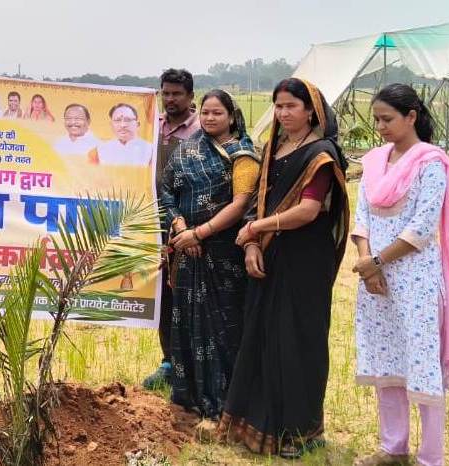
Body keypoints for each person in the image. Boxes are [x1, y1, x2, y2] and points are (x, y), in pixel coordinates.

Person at [350, 83, 449, 466]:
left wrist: (377, 261)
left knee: (421, 360)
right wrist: (367, 264)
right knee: (384, 355)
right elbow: (362, 218)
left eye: (387, 119)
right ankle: (393, 447)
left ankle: (430, 457)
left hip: (415, 278)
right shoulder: (375, 161)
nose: (380, 127)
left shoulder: (431, 163)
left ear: (412, 116)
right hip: (374, 278)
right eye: (376, 119)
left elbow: (422, 227)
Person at [218, 78, 349, 459]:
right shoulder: (272, 147)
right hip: (268, 252)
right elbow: (262, 201)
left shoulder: (322, 154)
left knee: (297, 339)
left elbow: (308, 211)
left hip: (305, 258)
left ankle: (298, 432)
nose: (282, 113)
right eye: (277, 106)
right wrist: (253, 246)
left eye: (291, 105)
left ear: (312, 110)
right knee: (260, 332)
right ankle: (254, 424)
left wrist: (255, 230)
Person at [160, 90, 259, 423]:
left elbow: (242, 203)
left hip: (223, 254)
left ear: (231, 116)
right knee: (185, 322)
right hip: (187, 250)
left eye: (218, 113)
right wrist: (180, 227)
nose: (210, 118)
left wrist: (200, 233)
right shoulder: (187, 150)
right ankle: (187, 396)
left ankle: (224, 402)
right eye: (205, 112)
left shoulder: (243, 154)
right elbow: (166, 192)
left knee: (224, 328)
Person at [143, 68, 202, 390]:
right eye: (165, 93)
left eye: (177, 94)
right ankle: (168, 360)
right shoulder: (152, 126)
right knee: (162, 291)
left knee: (188, 292)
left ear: (190, 96)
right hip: (152, 219)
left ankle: (191, 363)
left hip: (187, 221)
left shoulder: (200, 130)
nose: (170, 99)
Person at [87, 103, 151, 166]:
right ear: (111, 125)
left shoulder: (151, 151)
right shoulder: (97, 152)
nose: (123, 125)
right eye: (117, 120)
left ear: (137, 124)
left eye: (128, 120)